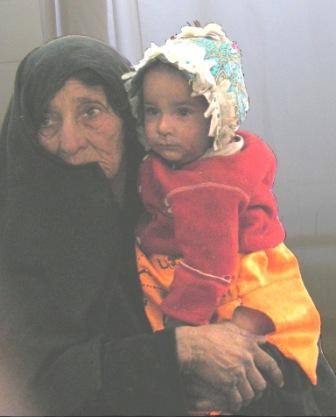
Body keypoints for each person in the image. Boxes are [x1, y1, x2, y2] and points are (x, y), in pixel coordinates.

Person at [0, 34, 288, 416]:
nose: (68, 142)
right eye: (47, 121)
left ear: (129, 118)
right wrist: (183, 349)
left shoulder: (185, 208)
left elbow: (283, 316)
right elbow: (37, 385)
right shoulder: (18, 245)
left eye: (91, 111)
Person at [123, 22, 336, 415]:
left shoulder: (207, 188)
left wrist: (179, 335)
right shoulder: (198, 157)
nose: (162, 126)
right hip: (250, 272)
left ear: (217, 116)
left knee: (235, 374)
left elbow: (208, 268)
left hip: (237, 284)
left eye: (182, 111)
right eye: (151, 111)